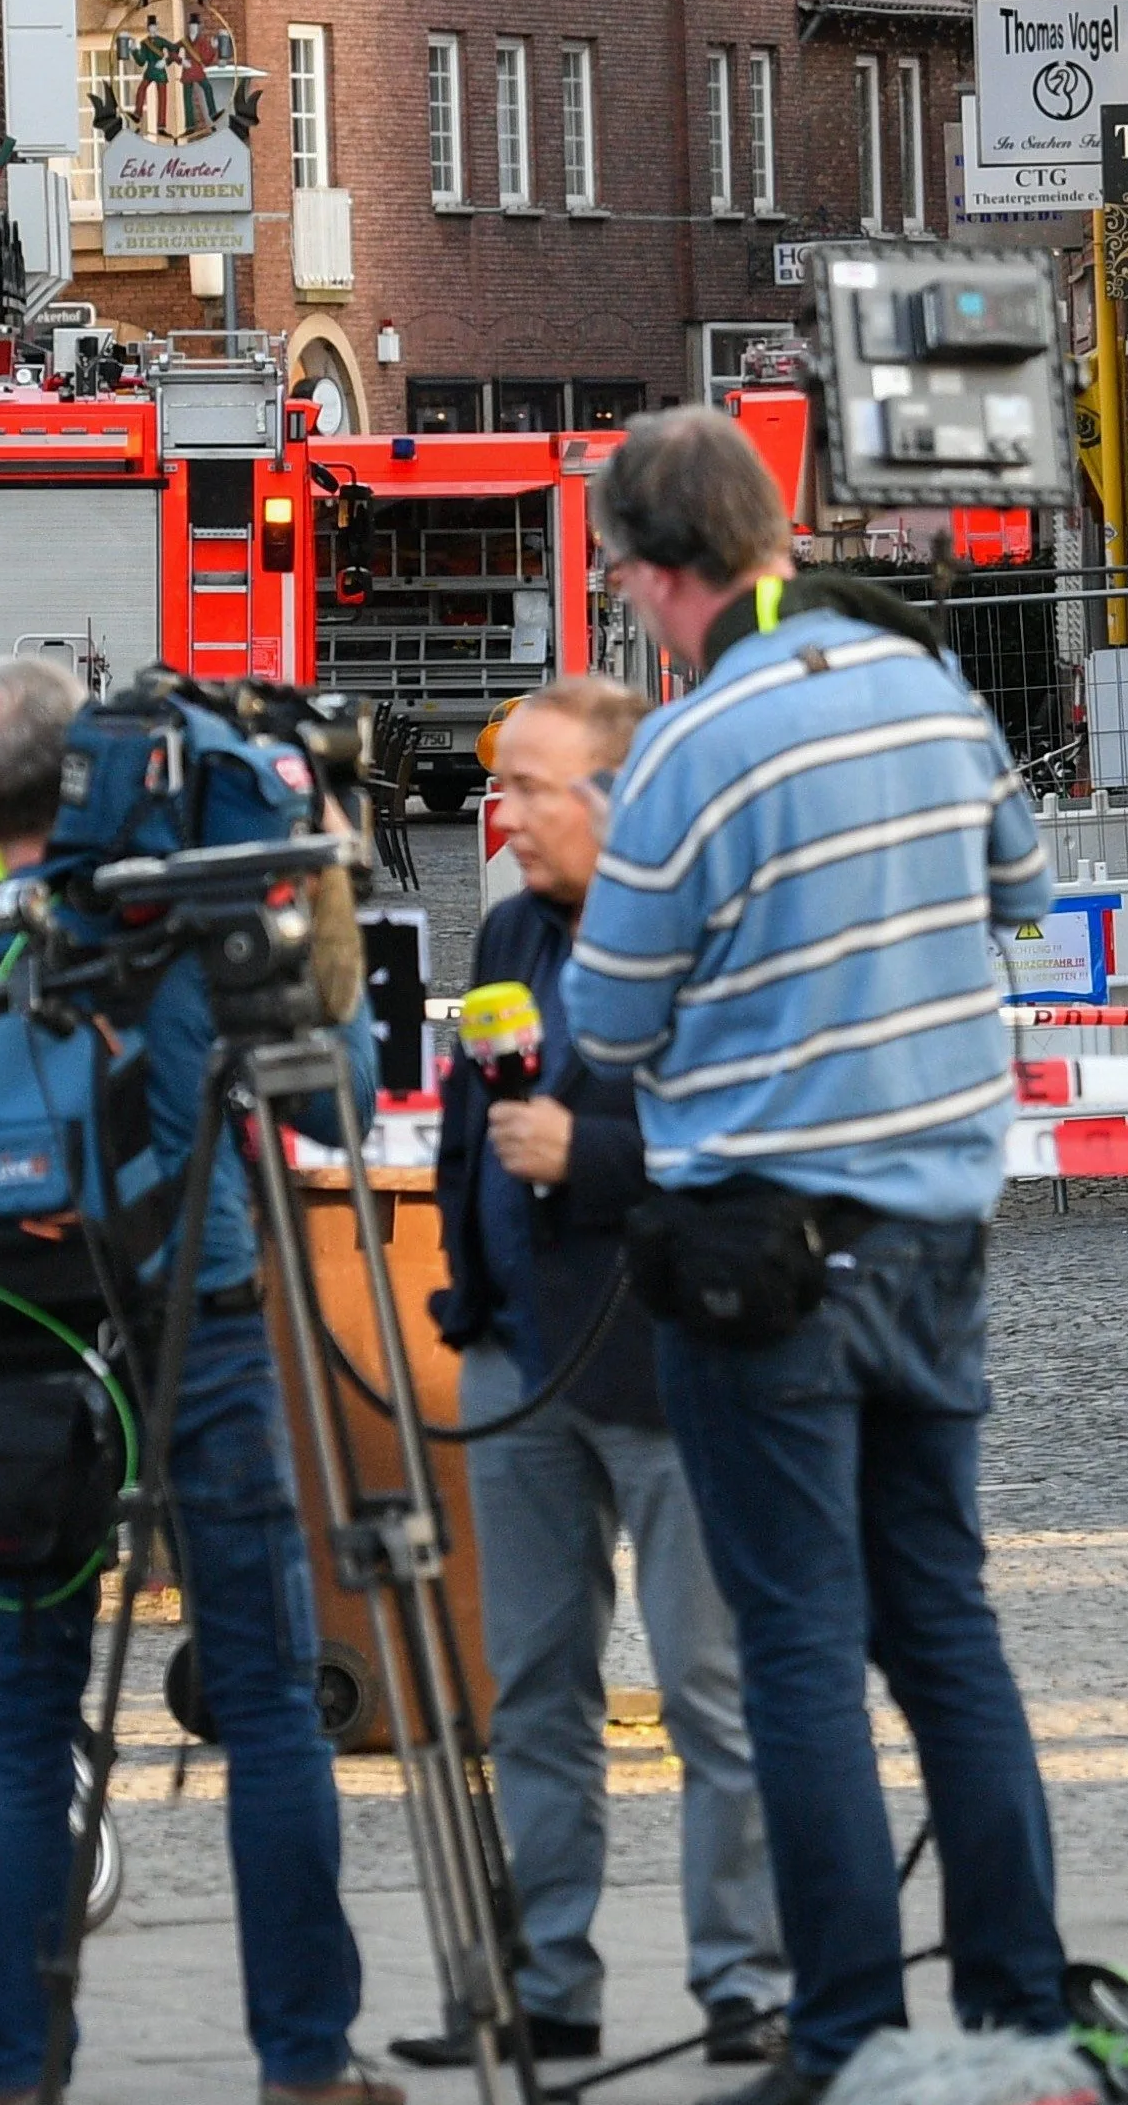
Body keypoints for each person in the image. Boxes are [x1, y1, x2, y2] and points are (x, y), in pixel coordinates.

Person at [554, 408, 1058, 2105]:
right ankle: (1017, 2015)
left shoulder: (695, 745)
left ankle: (842, 2040)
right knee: (948, 1636)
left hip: (760, 1259)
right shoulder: (930, 687)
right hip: (934, 1230)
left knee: (796, 1653)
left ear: (656, 571)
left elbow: (605, 1020)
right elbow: (1022, 895)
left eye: (621, 573)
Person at [0, 650, 377, 2105]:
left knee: (27, 1707)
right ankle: (303, 2061)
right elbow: (338, 1085)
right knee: (266, 1693)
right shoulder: (183, 915)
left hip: (15, 1329)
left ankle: (15, 2069)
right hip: (203, 1304)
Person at [410, 674, 786, 2072]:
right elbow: (479, 1105)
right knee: (533, 1691)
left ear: (620, 800)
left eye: (524, 788)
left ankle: (743, 1984)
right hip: (520, 1365)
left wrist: (598, 1160)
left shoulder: (706, 934)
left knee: (709, 1691)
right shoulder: (510, 924)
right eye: (497, 786)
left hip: (673, 1364)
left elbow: (754, 1142)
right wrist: (465, 1285)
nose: (496, 817)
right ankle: (544, 1984)